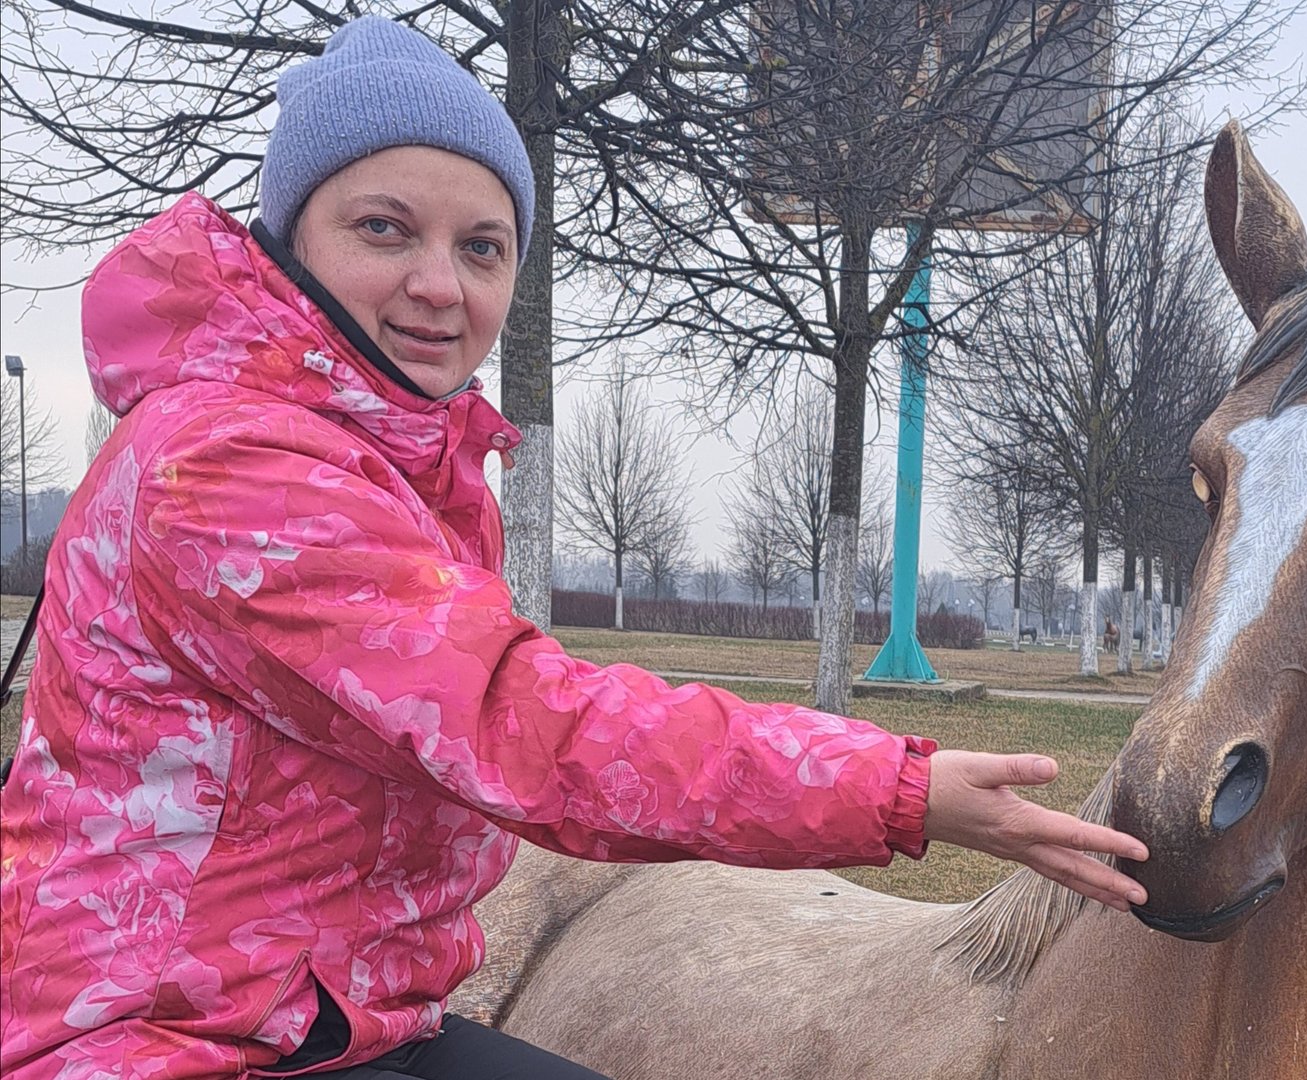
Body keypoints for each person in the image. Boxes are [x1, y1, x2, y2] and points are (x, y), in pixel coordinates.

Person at [0, 17, 1147, 1079]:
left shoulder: (400, 458)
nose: (439, 285)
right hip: (153, 1037)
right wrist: (895, 790)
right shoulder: (235, 464)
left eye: (483, 246)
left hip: (326, 1017)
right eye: (384, 228)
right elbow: (530, 730)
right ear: (288, 236)